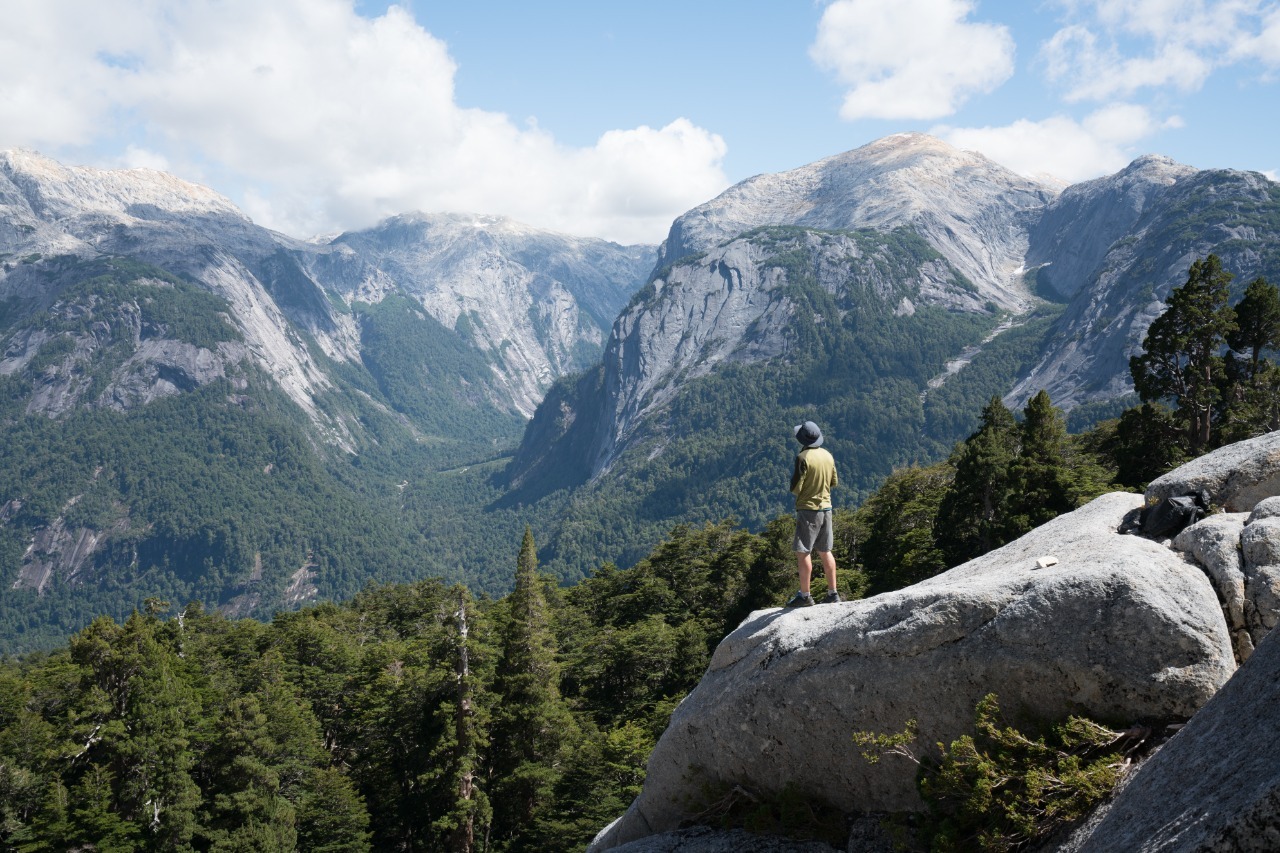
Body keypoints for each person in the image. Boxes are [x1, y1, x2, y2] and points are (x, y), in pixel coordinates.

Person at [785, 421, 840, 607]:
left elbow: (796, 487)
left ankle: (805, 595)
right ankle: (833, 593)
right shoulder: (828, 455)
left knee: (803, 552)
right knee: (825, 551)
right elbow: (834, 482)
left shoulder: (802, 457)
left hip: (808, 510)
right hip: (827, 508)